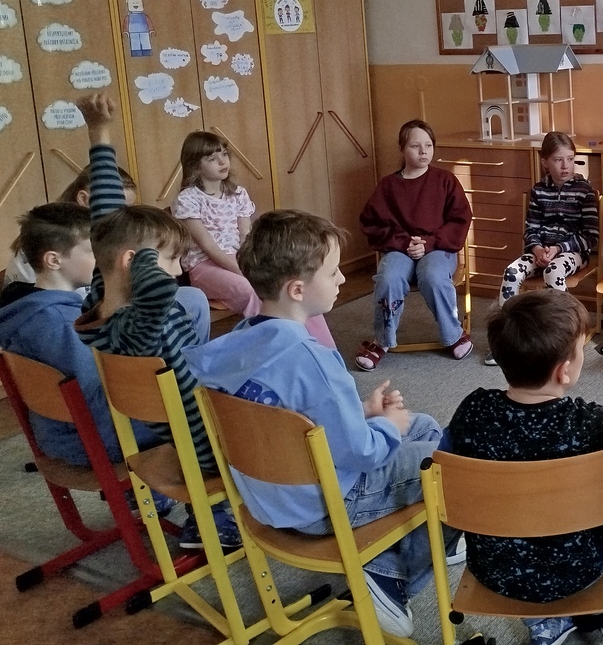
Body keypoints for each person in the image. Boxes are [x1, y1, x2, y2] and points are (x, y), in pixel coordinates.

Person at [185, 209, 462, 637]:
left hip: (268, 497)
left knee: (423, 425)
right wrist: (387, 424)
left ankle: (424, 539)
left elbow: (292, 419)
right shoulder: (314, 359)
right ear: (297, 290)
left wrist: (362, 411)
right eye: (333, 272)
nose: (341, 279)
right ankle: (390, 577)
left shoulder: (238, 342)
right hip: (324, 502)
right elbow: (362, 452)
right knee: (453, 464)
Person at [70, 93, 239, 551]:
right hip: (204, 442)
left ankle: (165, 502)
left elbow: (107, 219)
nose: (176, 270)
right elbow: (158, 289)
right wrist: (147, 260)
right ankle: (210, 521)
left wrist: (99, 133)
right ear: (136, 263)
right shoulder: (142, 322)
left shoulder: (101, 300)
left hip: (175, 425)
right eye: (168, 260)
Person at [446, 290, 603, 645]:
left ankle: (547, 623)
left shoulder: (472, 410)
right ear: (564, 371)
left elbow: (446, 476)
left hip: (494, 571)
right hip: (578, 573)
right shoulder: (595, 424)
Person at [0, 202, 163, 464]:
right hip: (89, 438)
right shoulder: (61, 323)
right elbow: (97, 399)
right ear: (54, 260)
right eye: (92, 251)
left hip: (67, 432)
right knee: (202, 414)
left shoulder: (30, 308)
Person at [4, 165, 210, 340]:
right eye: (118, 207)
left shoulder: (81, 238)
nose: (123, 216)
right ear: (84, 199)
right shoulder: (59, 247)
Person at [172, 130, 334, 348]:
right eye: (212, 158)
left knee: (290, 283)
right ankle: (280, 347)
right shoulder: (187, 200)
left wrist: (252, 264)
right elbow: (208, 246)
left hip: (242, 259)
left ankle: (323, 349)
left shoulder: (238, 193)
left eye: (224, 154)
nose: (222, 161)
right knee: (252, 290)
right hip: (205, 267)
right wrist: (244, 271)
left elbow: (246, 237)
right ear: (195, 165)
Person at [358, 119, 473, 369]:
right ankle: (383, 340)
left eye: (428, 145)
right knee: (388, 278)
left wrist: (429, 243)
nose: (423, 151)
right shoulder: (388, 186)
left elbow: (460, 219)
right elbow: (372, 222)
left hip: (438, 248)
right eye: (415, 146)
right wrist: (405, 243)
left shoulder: (445, 180)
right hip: (399, 248)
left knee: (433, 276)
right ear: (402, 148)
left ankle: (453, 334)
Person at [491, 131, 599, 364]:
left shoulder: (584, 191)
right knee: (511, 272)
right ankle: (506, 342)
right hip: (540, 251)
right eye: (558, 160)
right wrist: (538, 249)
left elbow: (591, 236)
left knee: (553, 272)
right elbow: (531, 229)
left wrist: (559, 248)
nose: (565, 165)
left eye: (570, 159)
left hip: (573, 253)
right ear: (545, 162)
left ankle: (564, 339)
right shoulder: (538, 191)